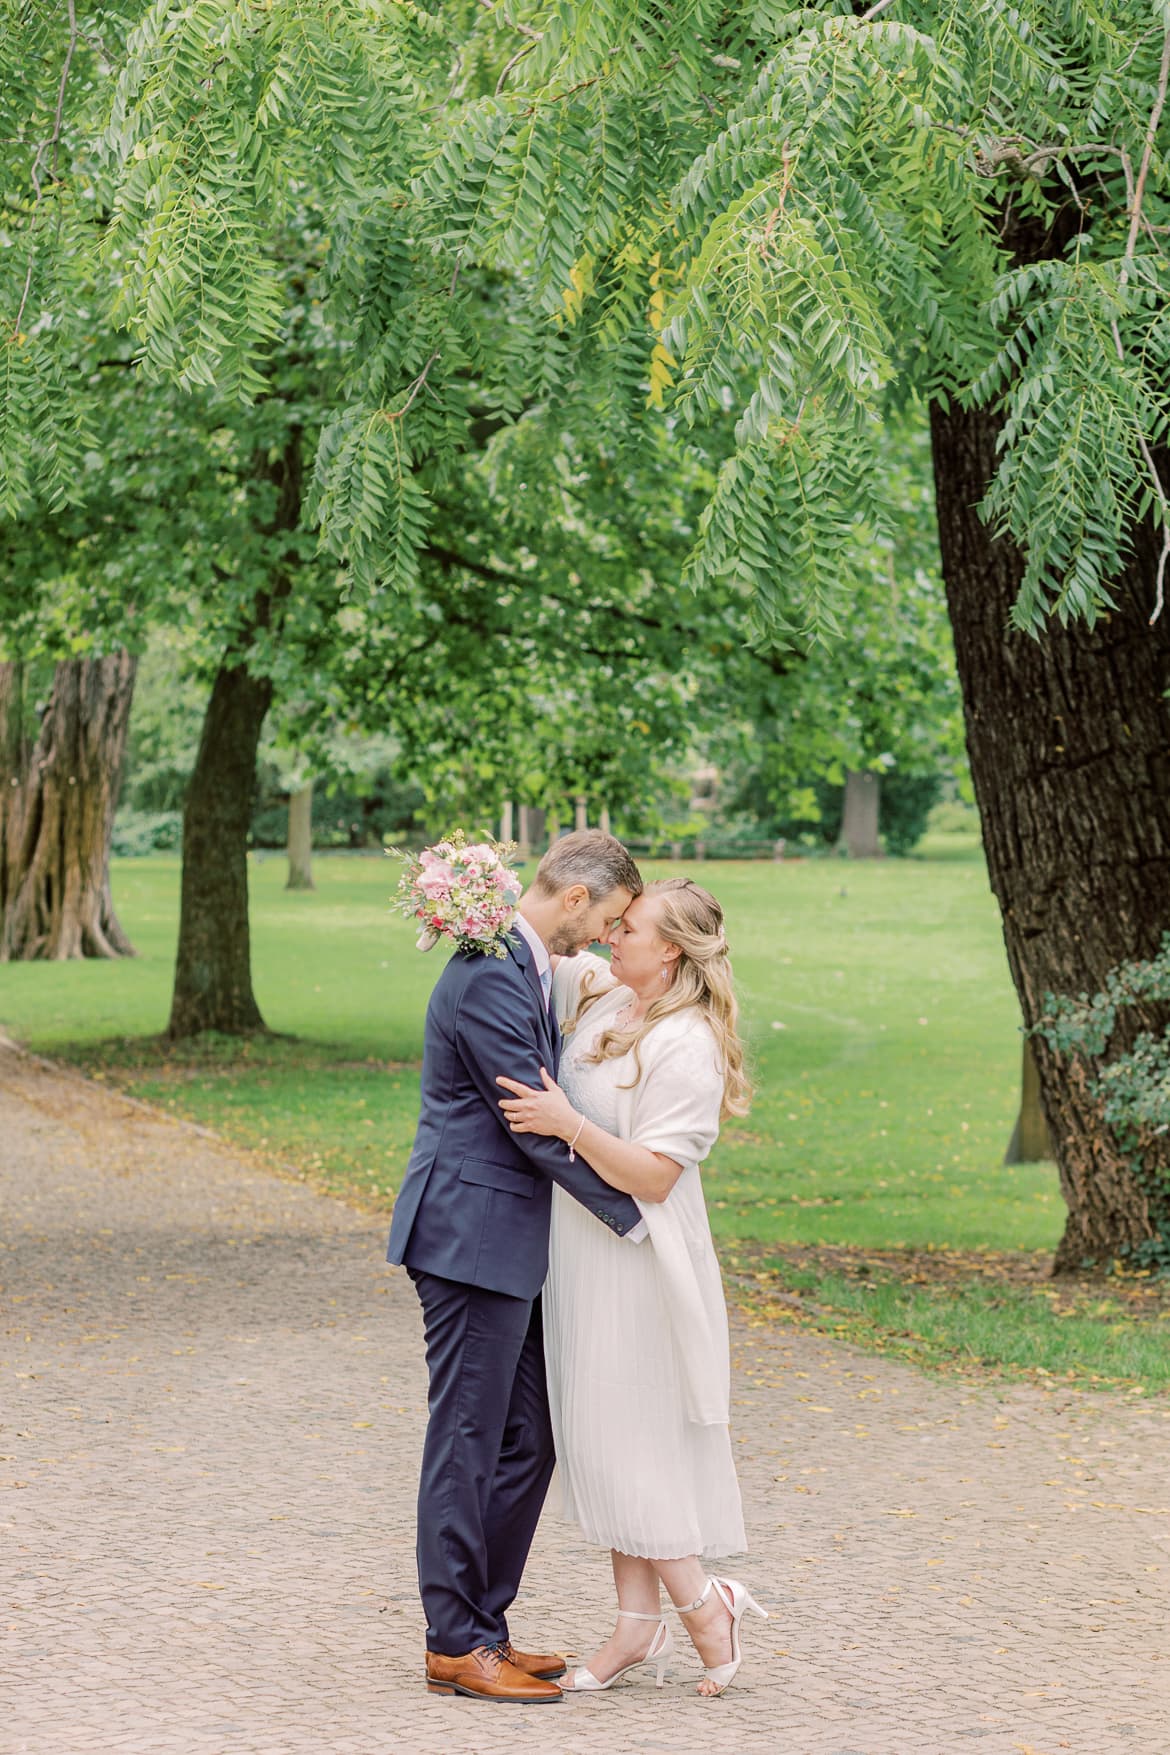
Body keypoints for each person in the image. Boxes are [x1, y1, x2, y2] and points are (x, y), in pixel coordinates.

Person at [386, 830, 645, 1703]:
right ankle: (456, 1642)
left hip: (503, 1243)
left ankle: (482, 1625)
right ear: (574, 895)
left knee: (529, 1434)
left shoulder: (521, 958)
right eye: (607, 919)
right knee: (467, 1438)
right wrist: (637, 1212)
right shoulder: (495, 965)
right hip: (468, 1236)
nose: (607, 938)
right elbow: (530, 1117)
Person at [496, 877, 766, 1698]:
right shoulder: (615, 996)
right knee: (607, 1438)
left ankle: (704, 1602)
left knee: (631, 1440)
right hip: (583, 1253)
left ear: (672, 950)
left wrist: (567, 1123)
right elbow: (542, 942)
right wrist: (474, 897)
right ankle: (634, 1627)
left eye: (633, 926)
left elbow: (654, 1173)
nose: (614, 932)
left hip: (642, 1263)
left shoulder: (687, 1043)